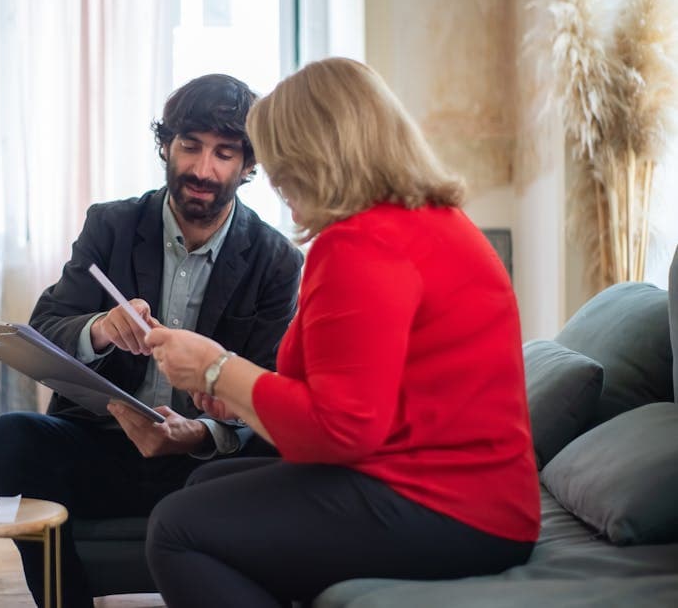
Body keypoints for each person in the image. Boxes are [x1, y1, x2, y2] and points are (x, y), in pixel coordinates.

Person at [144, 57, 541, 608]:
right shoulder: (428, 221)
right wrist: (240, 397)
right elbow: (354, 396)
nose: (276, 183)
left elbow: (340, 430)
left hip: (449, 507)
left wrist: (217, 369)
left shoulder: (361, 245)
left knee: (176, 528)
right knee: (203, 488)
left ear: (315, 156)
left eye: (281, 164)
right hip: (467, 494)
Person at [0, 73, 304, 607]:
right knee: (7, 438)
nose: (203, 169)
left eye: (224, 154)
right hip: (100, 444)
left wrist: (198, 434)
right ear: (166, 146)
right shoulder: (111, 225)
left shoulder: (276, 260)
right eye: (190, 146)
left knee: (283, 455)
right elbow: (47, 326)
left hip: (203, 461)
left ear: (248, 166)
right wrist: (100, 328)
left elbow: (267, 388)